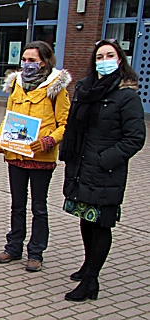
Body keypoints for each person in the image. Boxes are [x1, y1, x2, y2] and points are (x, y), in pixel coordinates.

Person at [60, 39, 145, 301]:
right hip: (82, 167)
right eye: (99, 56)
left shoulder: (126, 95)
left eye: (110, 55)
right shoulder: (86, 89)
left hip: (105, 171)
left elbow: (135, 138)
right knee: (86, 218)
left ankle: (91, 281)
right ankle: (88, 265)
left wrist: (105, 159)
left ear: (119, 59)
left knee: (101, 224)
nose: (104, 60)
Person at [0, 41, 71, 272]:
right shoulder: (16, 84)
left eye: (32, 60)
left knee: (39, 207)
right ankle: (13, 247)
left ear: (44, 62)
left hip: (41, 156)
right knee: (17, 204)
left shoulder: (56, 87)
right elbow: (9, 117)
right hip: (16, 154)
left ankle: (35, 252)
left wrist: (49, 141)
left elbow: (65, 124)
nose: (26, 64)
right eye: (24, 60)